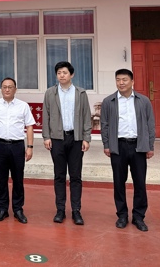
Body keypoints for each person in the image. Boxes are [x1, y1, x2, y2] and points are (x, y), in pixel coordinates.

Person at [101, 68, 155, 232]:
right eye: (118, 80)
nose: (121, 83)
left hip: (138, 146)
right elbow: (104, 125)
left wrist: (150, 145)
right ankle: (122, 215)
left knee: (140, 183)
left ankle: (139, 216)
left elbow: (150, 124)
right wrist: (106, 144)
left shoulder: (143, 101)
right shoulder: (109, 101)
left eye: (124, 79)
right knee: (119, 182)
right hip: (118, 146)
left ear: (132, 82)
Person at [42, 61, 92, 225]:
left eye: (64, 72)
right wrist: (46, 137)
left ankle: (76, 210)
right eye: (59, 73)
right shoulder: (50, 93)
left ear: (72, 74)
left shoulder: (80, 93)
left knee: (76, 176)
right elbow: (46, 116)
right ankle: (60, 210)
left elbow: (86, 116)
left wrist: (86, 138)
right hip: (57, 139)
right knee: (59, 175)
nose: (61, 75)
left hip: (76, 139)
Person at [0, 77, 35, 224]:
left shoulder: (23, 106)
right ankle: (2, 209)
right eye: (4, 87)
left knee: (18, 179)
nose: (7, 89)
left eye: (10, 87)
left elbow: (29, 126)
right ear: (1, 89)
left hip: (17, 146)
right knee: (1, 179)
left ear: (15, 89)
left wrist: (30, 147)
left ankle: (18, 209)